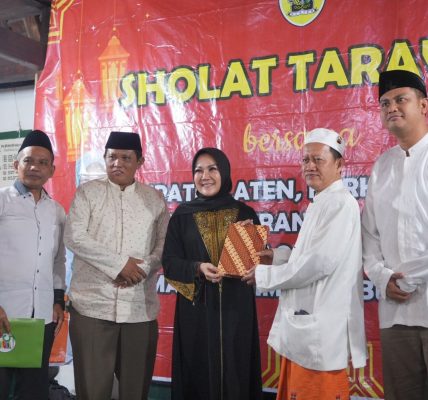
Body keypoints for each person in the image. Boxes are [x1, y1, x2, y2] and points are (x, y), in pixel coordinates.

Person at [249, 128, 367, 400]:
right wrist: (275, 257)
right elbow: (309, 256)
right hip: (307, 336)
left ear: (339, 165)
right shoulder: (322, 203)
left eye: (318, 159)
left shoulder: (340, 204)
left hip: (321, 338)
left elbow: (318, 264)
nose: (310, 166)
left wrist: (263, 276)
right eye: (305, 160)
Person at [64, 131, 169, 400]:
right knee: (92, 391)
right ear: (104, 158)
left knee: (135, 391)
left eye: (125, 157)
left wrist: (142, 269)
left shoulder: (154, 199)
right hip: (92, 308)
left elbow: (163, 245)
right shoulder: (88, 193)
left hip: (138, 309)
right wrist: (120, 265)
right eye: (112, 157)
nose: (117, 163)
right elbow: (75, 236)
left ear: (140, 161)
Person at [161, 147, 263, 400]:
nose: (205, 176)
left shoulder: (245, 214)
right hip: (196, 312)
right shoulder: (181, 217)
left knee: (236, 371)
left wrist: (257, 262)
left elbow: (257, 264)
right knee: (197, 374)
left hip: (236, 311)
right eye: (198, 170)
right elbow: (170, 263)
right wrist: (197, 268)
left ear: (224, 173)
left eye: (212, 169)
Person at [362, 69, 428, 400]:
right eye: (385, 103)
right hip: (396, 314)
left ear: (424, 106)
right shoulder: (381, 166)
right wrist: (383, 276)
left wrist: (408, 278)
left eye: (401, 99)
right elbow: (369, 236)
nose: (392, 108)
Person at [0, 130, 66, 400]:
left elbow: (58, 260)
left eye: (42, 162)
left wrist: (58, 299)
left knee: (34, 389)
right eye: (28, 161)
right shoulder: (3, 201)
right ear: (16, 165)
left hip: (40, 317)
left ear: (51, 169)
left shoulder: (57, 210)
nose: (35, 167)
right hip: (5, 314)